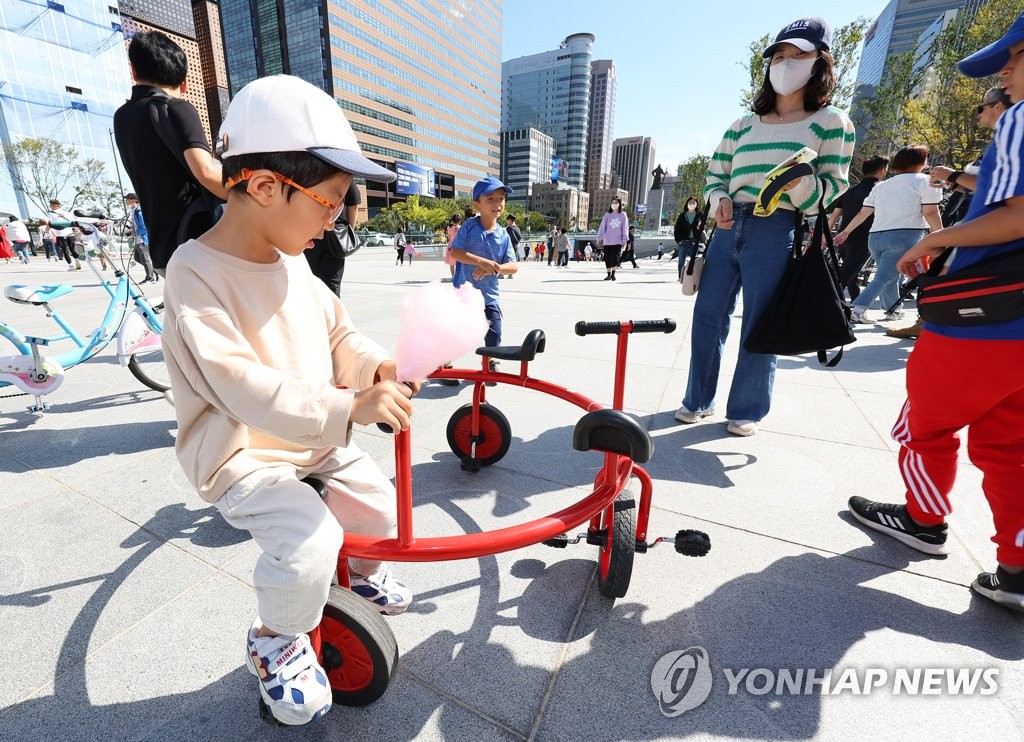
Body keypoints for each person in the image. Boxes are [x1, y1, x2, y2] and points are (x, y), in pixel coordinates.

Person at [160, 75, 416, 727]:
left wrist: (373, 365)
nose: (336, 219)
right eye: (329, 203)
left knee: (378, 503)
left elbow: (338, 331)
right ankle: (275, 638)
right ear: (268, 186)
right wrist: (347, 410)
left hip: (309, 439)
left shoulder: (292, 257)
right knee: (307, 542)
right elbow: (239, 386)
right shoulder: (195, 275)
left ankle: (345, 582)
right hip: (244, 455)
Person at [846, 13, 1024, 614]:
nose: (1002, 73)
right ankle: (1017, 568)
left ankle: (923, 520)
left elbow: (1020, 211)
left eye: (1014, 57)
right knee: (1011, 444)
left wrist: (935, 241)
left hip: (985, 311)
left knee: (924, 422)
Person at [677, 16, 854, 437]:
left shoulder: (832, 122)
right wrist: (719, 200)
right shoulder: (743, 124)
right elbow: (714, 175)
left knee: (761, 322)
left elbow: (833, 189)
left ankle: (747, 408)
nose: (786, 63)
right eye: (779, 56)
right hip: (726, 225)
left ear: (820, 63)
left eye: (798, 55)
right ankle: (697, 400)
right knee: (707, 316)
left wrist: (800, 184)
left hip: (776, 225)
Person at [114, 31, 227, 275]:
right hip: (197, 240)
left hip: (163, 249)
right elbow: (205, 173)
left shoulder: (122, 117)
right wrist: (252, 196)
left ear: (134, 71)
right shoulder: (178, 108)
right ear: (184, 82)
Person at [834, 145, 943, 324]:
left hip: (875, 238)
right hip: (904, 235)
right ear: (922, 162)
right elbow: (930, 212)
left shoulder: (882, 186)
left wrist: (845, 232)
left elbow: (863, 212)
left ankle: (892, 309)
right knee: (885, 276)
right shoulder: (926, 181)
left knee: (892, 274)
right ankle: (858, 309)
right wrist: (941, 235)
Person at [448, 176, 518, 352]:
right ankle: (445, 363)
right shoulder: (469, 226)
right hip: (464, 292)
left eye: (501, 198)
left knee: (494, 332)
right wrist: (481, 261)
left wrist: (495, 268)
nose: (497, 203)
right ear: (477, 205)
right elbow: (455, 251)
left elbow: (513, 265)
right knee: (454, 332)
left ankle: (490, 361)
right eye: (490, 199)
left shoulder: (503, 234)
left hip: (489, 295)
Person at [828, 156, 889, 301]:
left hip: (844, 238)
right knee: (844, 277)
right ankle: (827, 306)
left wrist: (826, 235)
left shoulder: (850, 190)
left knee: (851, 275)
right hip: (863, 239)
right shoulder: (881, 189)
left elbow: (835, 215)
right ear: (882, 170)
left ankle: (854, 303)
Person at [304, 182, 361, 295]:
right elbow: (353, 206)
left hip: (310, 231)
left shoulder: (309, 170)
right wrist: (348, 232)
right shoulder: (344, 175)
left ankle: (314, 311)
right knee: (331, 284)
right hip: (336, 235)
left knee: (309, 280)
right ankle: (331, 311)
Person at [125, 192, 157, 283]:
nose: (126, 200)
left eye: (127, 199)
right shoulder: (134, 210)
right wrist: (130, 230)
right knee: (137, 258)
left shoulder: (139, 211)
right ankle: (152, 270)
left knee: (145, 259)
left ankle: (150, 278)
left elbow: (144, 227)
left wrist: (133, 233)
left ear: (133, 200)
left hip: (142, 239)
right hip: (137, 239)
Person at [596, 196, 629, 281]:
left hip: (618, 241)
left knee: (615, 258)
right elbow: (602, 227)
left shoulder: (623, 215)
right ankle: (608, 274)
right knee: (607, 258)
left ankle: (613, 274)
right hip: (607, 241)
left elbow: (625, 228)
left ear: (619, 204)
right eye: (613, 203)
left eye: (616, 203)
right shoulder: (607, 215)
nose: (614, 204)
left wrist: (624, 240)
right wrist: (599, 237)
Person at [47, 199, 80, 271]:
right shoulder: (66, 213)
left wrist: (47, 232)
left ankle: (71, 266)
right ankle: (77, 261)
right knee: (73, 249)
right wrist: (78, 231)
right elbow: (73, 222)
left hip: (60, 234)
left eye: (51, 205)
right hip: (70, 233)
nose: (50, 207)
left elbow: (49, 224)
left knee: (65, 250)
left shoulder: (51, 214)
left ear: (55, 205)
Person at [444, 212, 462, 278]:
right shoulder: (461, 228)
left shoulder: (449, 227)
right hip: (459, 245)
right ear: (460, 221)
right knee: (459, 262)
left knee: (451, 263)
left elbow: (449, 237)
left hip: (451, 245)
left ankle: (452, 276)